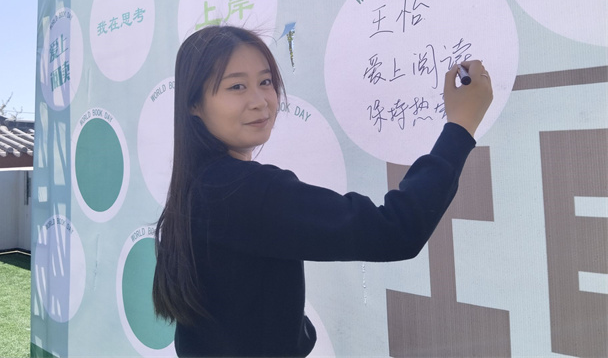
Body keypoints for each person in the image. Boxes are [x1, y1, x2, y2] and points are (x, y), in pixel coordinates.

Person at [152, 25, 493, 357]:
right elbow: (396, 229)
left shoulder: (197, 186)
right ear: (194, 103)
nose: (260, 101)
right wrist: (460, 127)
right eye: (237, 86)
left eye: (265, 82)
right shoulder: (242, 189)